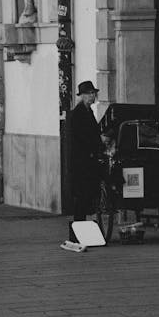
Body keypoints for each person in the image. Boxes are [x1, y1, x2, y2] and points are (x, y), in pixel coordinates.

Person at [70, 81, 102, 225]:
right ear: (82, 96)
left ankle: (85, 224)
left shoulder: (89, 111)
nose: (93, 96)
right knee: (82, 195)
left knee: (87, 194)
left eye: (93, 93)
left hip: (88, 159)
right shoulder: (78, 113)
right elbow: (81, 137)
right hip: (81, 161)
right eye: (89, 93)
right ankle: (79, 225)